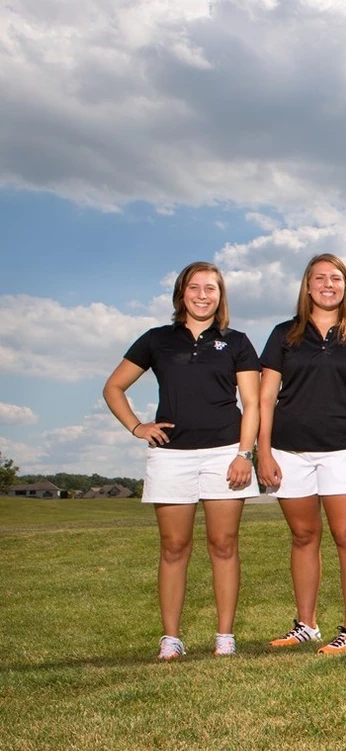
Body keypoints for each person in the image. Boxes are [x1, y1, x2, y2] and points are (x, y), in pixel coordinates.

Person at [104, 262, 260, 660]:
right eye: (195, 287)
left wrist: (245, 453)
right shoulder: (158, 340)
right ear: (181, 293)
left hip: (226, 453)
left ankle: (225, 635)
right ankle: (171, 638)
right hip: (171, 456)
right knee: (174, 546)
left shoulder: (238, 342)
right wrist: (137, 427)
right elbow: (114, 387)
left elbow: (253, 403)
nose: (203, 295)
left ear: (221, 296)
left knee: (223, 544)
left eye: (211, 288)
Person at [258, 254, 346, 654]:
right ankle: (306, 624)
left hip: (345, 450)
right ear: (307, 285)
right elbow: (265, 399)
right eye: (320, 278)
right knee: (303, 536)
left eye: (336, 278)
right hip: (289, 450)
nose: (328, 285)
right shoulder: (285, 334)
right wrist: (262, 452)